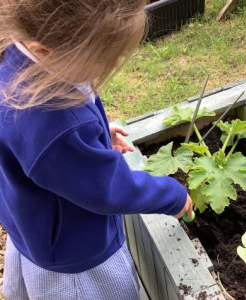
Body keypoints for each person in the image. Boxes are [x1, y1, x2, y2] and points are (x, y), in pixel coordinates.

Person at [0, 0, 193, 299]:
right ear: (45, 50)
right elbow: (109, 189)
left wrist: (92, 139)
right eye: (106, 57)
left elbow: (43, 151)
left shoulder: (16, 57)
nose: (115, 63)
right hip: (75, 265)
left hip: (33, 226)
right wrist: (172, 196)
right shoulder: (55, 124)